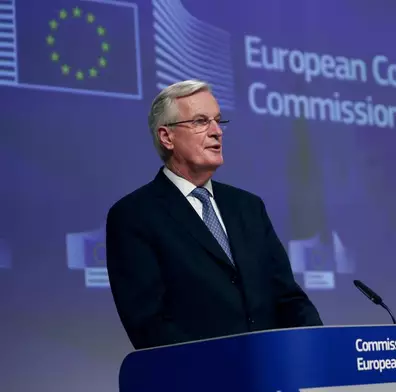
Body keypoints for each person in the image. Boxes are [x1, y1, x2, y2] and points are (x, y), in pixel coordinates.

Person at [106, 79, 323, 350]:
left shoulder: (248, 207)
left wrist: (318, 348)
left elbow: (289, 299)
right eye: (200, 121)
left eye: (218, 121)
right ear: (167, 137)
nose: (216, 131)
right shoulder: (134, 216)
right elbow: (149, 324)